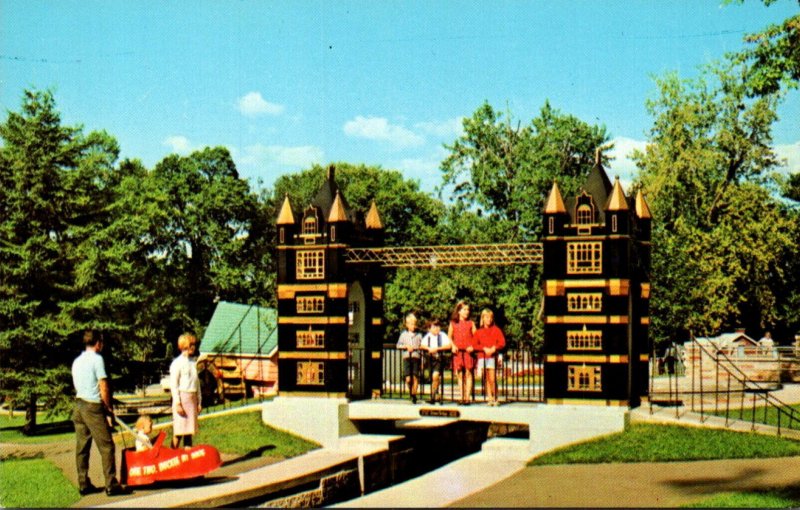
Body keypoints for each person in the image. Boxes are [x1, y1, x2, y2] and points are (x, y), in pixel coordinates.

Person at [71, 330, 129, 496]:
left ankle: (83, 484)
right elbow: (103, 385)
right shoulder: (97, 359)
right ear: (97, 343)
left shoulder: (77, 361)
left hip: (79, 404)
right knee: (107, 446)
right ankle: (111, 484)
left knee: (82, 446)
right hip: (92, 406)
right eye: (101, 342)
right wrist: (108, 407)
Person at [170, 332, 202, 449]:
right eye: (191, 344)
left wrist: (199, 401)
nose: (193, 347)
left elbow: (196, 382)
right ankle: (172, 454)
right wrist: (177, 403)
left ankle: (187, 455)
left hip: (192, 399)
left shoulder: (193, 363)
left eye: (194, 344)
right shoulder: (177, 363)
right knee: (179, 431)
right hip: (182, 400)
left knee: (189, 431)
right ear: (184, 346)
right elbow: (174, 384)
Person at [473, 308, 506, 406]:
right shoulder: (479, 331)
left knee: (492, 377)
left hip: (492, 356)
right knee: (486, 377)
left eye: (491, 317)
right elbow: (474, 344)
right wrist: (483, 348)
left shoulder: (496, 330)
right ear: (482, 318)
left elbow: (502, 343)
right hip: (482, 356)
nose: (489, 320)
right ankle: (489, 398)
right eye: (487, 317)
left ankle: (495, 397)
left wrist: (494, 348)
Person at [449, 301, 476, 404]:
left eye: (468, 310)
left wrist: (472, 346)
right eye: (464, 310)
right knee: (459, 374)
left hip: (468, 351)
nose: (467, 312)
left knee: (468, 373)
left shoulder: (471, 323)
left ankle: (467, 397)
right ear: (459, 311)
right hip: (458, 352)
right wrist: (453, 345)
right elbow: (449, 336)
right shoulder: (453, 323)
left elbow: (476, 337)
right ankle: (461, 396)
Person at [420, 319, 452, 404]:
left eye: (438, 326)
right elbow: (422, 345)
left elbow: (448, 345)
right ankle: (436, 393)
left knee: (436, 375)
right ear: (429, 329)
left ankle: (433, 395)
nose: (436, 329)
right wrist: (428, 348)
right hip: (430, 359)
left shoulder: (442, 335)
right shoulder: (428, 336)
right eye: (434, 327)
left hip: (439, 359)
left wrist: (437, 349)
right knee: (433, 378)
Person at [396, 313, 422, 404]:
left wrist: (417, 349)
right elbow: (398, 345)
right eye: (411, 324)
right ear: (407, 325)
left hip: (416, 357)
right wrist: (406, 346)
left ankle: (414, 395)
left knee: (415, 376)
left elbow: (422, 346)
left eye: (414, 324)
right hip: (407, 357)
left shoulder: (419, 335)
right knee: (408, 378)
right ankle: (411, 392)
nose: (413, 326)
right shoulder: (404, 335)